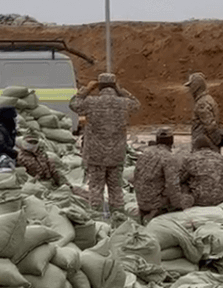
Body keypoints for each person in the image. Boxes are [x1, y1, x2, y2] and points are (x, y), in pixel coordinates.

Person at [69, 73, 140, 216]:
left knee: (95, 189)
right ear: (115, 86)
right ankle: (118, 219)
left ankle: (97, 220)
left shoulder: (90, 102)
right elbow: (137, 105)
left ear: (99, 87)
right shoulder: (123, 103)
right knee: (116, 189)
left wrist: (87, 89)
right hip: (116, 155)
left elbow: (73, 104)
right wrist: (121, 91)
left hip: (95, 155)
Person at [170, 135, 223, 209]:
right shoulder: (220, 157)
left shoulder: (190, 159)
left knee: (183, 185)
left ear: (195, 147)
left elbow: (180, 179)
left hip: (201, 200)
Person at [132, 127, 180, 224]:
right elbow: (172, 185)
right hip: (155, 203)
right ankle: (155, 213)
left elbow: (136, 176)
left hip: (140, 201)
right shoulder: (169, 157)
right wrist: (179, 205)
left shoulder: (145, 153)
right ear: (171, 141)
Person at [185, 73, 223, 151]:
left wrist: (217, 142)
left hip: (205, 145)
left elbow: (210, 125)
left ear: (196, 87)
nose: (189, 89)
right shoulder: (208, 99)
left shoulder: (201, 103)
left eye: (191, 86)